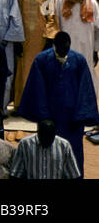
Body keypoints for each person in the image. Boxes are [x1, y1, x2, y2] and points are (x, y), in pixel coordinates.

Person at [17, 31, 99, 166]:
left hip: (72, 119)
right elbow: (37, 89)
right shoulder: (41, 60)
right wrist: (44, 117)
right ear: (54, 45)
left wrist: (81, 116)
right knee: (48, 156)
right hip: (50, 119)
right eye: (60, 49)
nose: (63, 51)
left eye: (66, 49)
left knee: (73, 157)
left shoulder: (78, 60)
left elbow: (85, 89)